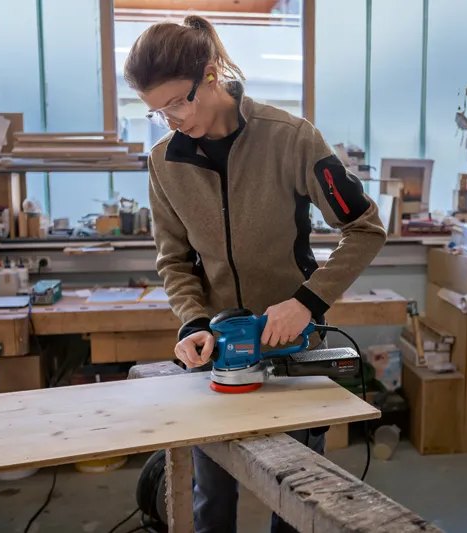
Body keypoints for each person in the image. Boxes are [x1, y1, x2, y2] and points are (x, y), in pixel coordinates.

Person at [124, 15, 386, 533]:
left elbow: (365, 228)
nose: (173, 119)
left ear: (213, 72)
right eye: (158, 111)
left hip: (292, 350)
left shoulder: (291, 139)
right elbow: (174, 260)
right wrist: (194, 324)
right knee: (210, 500)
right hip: (219, 354)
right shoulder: (163, 162)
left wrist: (307, 303)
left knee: (294, 499)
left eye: (180, 101)